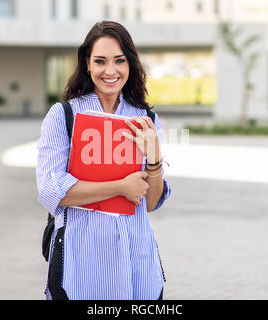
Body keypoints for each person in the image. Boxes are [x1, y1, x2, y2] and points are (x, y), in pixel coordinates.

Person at [36, 21, 172, 300]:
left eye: (119, 61)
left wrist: (155, 159)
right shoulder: (63, 117)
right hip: (82, 266)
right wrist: (120, 187)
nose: (110, 71)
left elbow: (150, 202)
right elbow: (51, 191)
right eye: (100, 61)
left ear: (130, 64)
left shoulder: (146, 118)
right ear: (87, 64)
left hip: (138, 264)